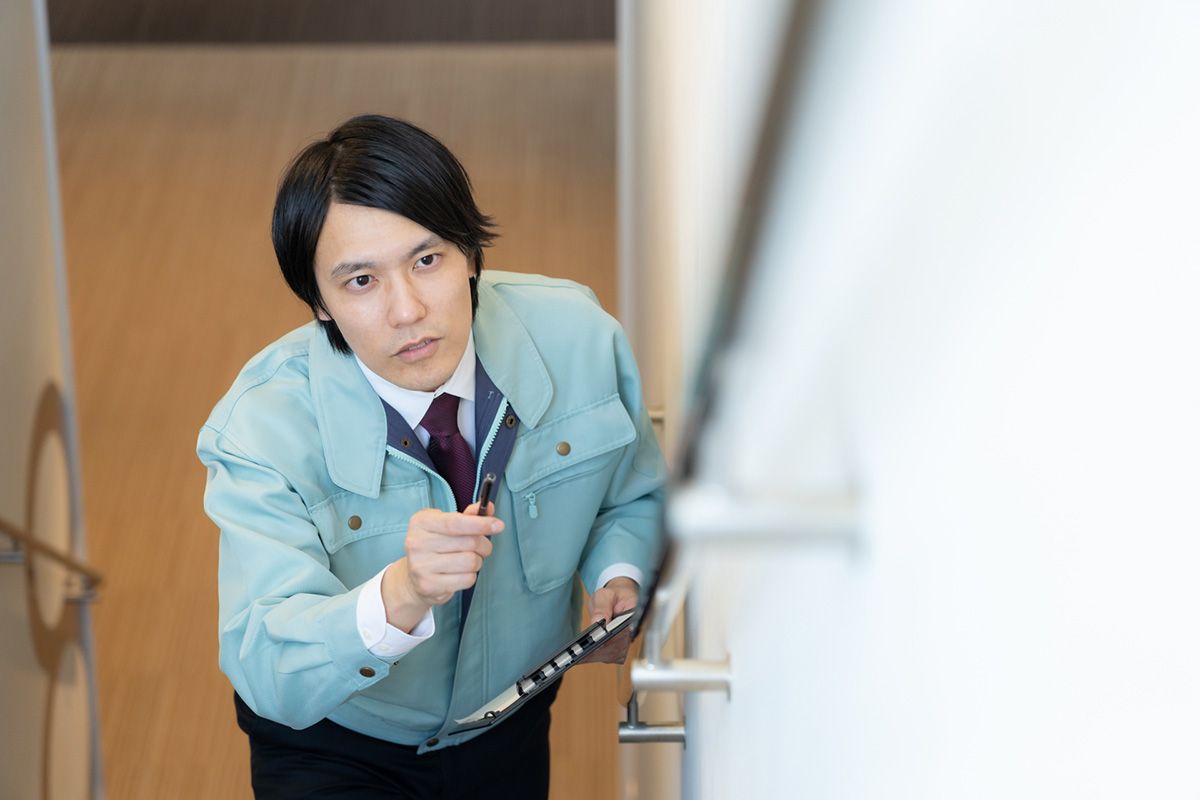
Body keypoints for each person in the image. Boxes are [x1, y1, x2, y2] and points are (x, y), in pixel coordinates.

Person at [196, 114, 666, 799]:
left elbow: (631, 493)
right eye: (361, 281)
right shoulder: (259, 430)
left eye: (426, 260)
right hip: (335, 738)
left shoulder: (580, 339)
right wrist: (402, 593)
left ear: (470, 253)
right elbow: (267, 664)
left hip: (507, 720)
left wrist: (620, 573)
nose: (408, 311)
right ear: (318, 303)